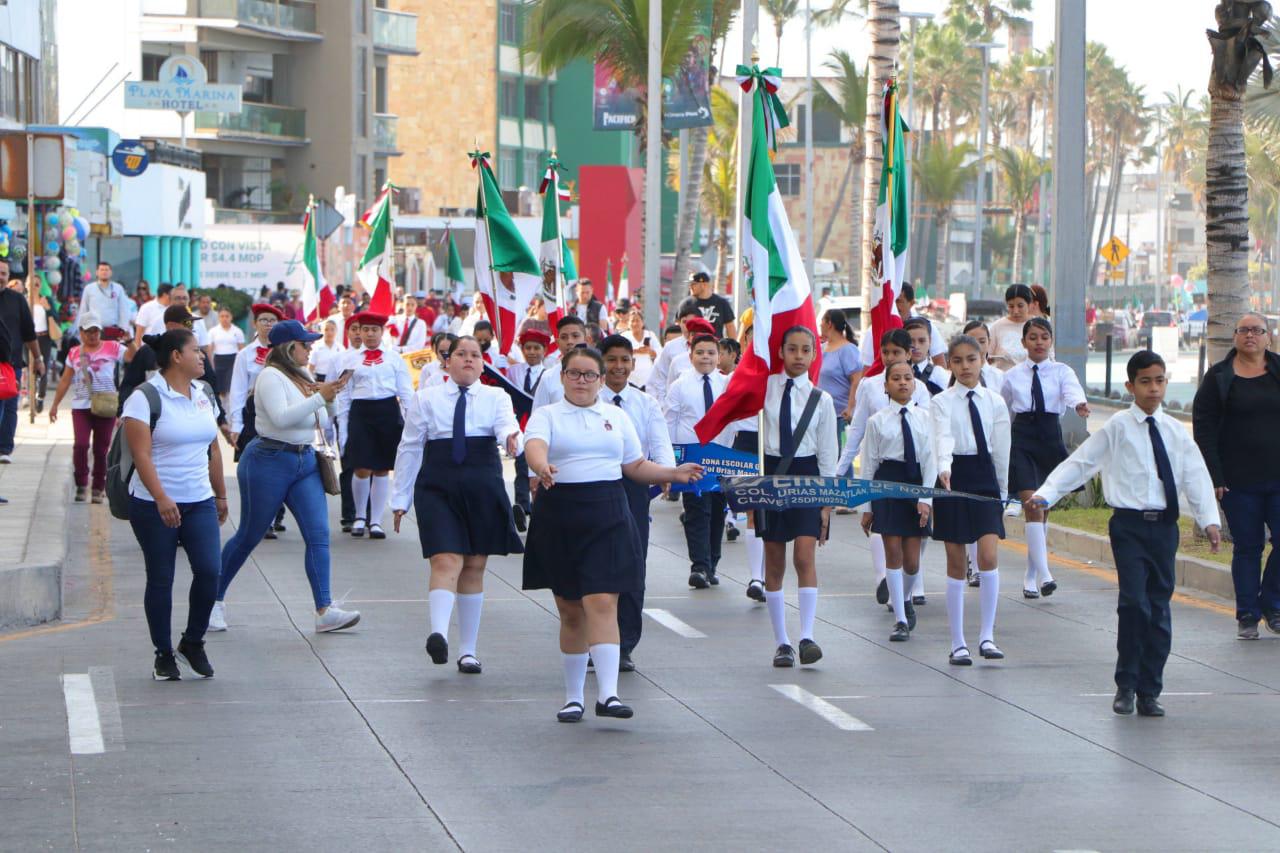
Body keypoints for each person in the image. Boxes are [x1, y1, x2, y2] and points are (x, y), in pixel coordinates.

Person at [1032, 351, 1221, 717]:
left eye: (1160, 381)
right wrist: (1047, 493)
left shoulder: (1174, 432)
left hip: (1164, 527)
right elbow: (1082, 462)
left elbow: (1195, 475)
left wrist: (1209, 519)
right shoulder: (1118, 426)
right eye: (1146, 382)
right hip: (1129, 526)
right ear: (1130, 386)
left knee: (1159, 609)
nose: (1154, 388)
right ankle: (1126, 684)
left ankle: (1151, 689)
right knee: (1134, 604)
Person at [522, 347, 703, 722]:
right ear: (563, 377)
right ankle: (574, 697)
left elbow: (634, 464)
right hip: (560, 511)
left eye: (590, 375)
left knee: (603, 601)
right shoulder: (547, 415)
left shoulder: (616, 416)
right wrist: (542, 467)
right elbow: (534, 447)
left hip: (607, 509)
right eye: (575, 374)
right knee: (571, 610)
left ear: (602, 381)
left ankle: (608, 694)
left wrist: (673, 474)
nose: (582, 381)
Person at [212, 320, 360, 635]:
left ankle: (325, 609)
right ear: (290, 348)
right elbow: (281, 418)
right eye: (306, 345)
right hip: (268, 459)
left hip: (303, 458)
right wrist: (321, 397)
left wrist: (327, 398)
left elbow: (320, 417)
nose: (311, 349)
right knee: (250, 535)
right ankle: (213, 600)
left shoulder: (301, 376)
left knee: (319, 535)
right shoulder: (270, 377)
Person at [390, 336, 523, 674]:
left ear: (482, 363)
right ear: (447, 362)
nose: (468, 359)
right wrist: (400, 499)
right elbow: (410, 447)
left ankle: (468, 650)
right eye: (460, 354)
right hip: (438, 482)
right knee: (445, 557)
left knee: (475, 564)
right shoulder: (426, 397)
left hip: (482, 481)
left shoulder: (497, 396)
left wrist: (512, 439)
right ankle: (437, 633)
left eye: (475, 355)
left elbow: (507, 427)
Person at [121, 329, 228, 681]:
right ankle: (163, 653)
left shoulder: (204, 393)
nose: (203, 356)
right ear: (176, 357)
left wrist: (220, 493)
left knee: (210, 571)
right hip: (154, 504)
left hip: (198, 500)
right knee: (162, 577)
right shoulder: (145, 398)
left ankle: (192, 641)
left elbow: (213, 448)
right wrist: (162, 498)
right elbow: (141, 454)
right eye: (196, 351)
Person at [1191, 313, 1280, 639]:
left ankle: (1272, 604)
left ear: (1268, 337)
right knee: (1248, 546)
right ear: (1235, 337)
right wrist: (1215, 475)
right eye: (1243, 331)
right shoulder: (1219, 378)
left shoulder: (1277, 371)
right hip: (1238, 481)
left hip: (1278, 477)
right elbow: (1204, 428)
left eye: (1257, 330)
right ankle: (1247, 613)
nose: (1250, 336)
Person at [757, 327, 838, 667]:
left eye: (806, 350)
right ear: (781, 352)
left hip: (807, 478)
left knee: (804, 557)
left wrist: (826, 502)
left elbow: (828, 452)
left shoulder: (822, 399)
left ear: (814, 355)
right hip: (772, 475)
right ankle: (782, 642)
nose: (799, 356)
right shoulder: (764, 389)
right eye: (792, 349)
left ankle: (806, 635)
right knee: (774, 561)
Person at [931, 335, 1012, 665]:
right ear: (949, 364)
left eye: (971, 359)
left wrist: (1004, 492)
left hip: (985, 476)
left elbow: (1002, 448)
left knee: (989, 555)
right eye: (958, 361)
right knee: (955, 561)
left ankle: (987, 636)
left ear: (983, 361)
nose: (965, 366)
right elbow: (942, 437)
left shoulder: (994, 401)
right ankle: (958, 641)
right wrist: (944, 468)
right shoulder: (942, 402)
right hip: (954, 477)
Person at [838, 329, 932, 605]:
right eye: (885, 352)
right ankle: (885, 581)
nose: (890, 358)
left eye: (897, 353)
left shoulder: (920, 389)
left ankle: (914, 583)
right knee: (887, 534)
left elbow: (929, 438)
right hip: (883, 470)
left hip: (914, 472)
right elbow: (856, 434)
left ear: (909, 354)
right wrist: (838, 473)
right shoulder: (870, 385)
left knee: (916, 539)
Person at [599, 334, 675, 670]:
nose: (618, 367)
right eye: (612, 359)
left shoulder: (646, 404)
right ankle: (597, 640)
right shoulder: (587, 400)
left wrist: (667, 474)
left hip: (634, 487)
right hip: (593, 487)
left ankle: (625, 643)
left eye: (624, 360)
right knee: (595, 567)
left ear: (633, 364)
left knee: (632, 564)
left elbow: (660, 444)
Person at [1002, 317, 1090, 599]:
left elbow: (1071, 392)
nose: (1039, 342)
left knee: (1043, 510)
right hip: (1022, 438)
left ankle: (1031, 576)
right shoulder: (1012, 376)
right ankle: (1046, 574)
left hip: (1050, 438)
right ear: (1023, 342)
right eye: (1033, 337)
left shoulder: (1061, 371)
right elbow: (1002, 411)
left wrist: (1079, 404)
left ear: (1051, 340)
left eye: (1044, 337)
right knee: (1032, 504)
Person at [861, 361, 936, 643]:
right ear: (886, 385)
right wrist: (867, 506)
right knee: (892, 551)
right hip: (887, 484)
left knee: (912, 561)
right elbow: (868, 465)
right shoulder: (877, 421)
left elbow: (930, 461)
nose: (903, 383)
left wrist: (925, 498)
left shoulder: (925, 418)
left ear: (914, 383)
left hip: (916, 483)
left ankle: (903, 598)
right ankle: (900, 619)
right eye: (896, 378)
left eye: (907, 378)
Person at [335, 312, 414, 538]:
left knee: (381, 468)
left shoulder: (394, 359)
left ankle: (376, 520)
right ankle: (359, 516)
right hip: (361, 413)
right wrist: (342, 427)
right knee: (360, 466)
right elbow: (344, 395)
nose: (370, 334)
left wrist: (411, 421)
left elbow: (406, 392)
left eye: (374, 330)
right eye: (365, 329)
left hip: (387, 412)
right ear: (358, 331)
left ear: (382, 332)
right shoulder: (349, 359)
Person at [665, 333, 732, 589]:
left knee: (716, 511)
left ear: (719, 356)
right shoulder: (680, 385)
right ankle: (699, 567)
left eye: (711, 353)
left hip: (721, 457)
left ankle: (712, 563)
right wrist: (670, 462)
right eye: (700, 352)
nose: (706, 357)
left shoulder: (726, 384)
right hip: (691, 457)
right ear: (691, 355)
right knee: (696, 511)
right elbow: (670, 421)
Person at [48, 313, 135, 502]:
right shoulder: (74, 352)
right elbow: (65, 380)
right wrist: (55, 404)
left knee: (101, 449)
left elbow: (131, 357)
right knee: (80, 445)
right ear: (81, 332)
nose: (93, 335)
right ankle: (81, 482)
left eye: (96, 331)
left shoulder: (112, 347)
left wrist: (130, 341)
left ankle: (97, 487)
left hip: (106, 405)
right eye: (88, 331)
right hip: (81, 406)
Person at [0, 258, 42, 464]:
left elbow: (29, 333)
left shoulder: (17, 301)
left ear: (8, 277)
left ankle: (4, 448)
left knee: (9, 407)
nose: (0, 277)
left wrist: (38, 358)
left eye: (3, 273)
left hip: (11, 366)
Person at [507, 328, 550, 530]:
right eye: (528, 348)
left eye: (536, 348)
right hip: (519, 427)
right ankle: (522, 507)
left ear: (544, 350)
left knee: (538, 468)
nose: (532, 352)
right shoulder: (513, 372)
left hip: (540, 427)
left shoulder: (549, 374)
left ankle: (536, 508)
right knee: (522, 467)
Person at [858, 283, 945, 368]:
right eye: (891, 300)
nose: (893, 306)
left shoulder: (927, 327)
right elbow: (867, 368)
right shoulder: (874, 330)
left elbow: (939, 362)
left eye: (898, 301)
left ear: (911, 303)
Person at [647, 310, 717, 406]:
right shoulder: (678, 362)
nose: (698, 339)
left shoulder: (719, 369)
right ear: (689, 337)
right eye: (694, 334)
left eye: (702, 335)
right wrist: (662, 405)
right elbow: (664, 385)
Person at [819, 309, 863, 432]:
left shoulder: (848, 350)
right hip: (820, 413)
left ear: (829, 324)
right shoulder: (822, 348)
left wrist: (850, 408)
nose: (820, 324)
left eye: (822, 321)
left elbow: (856, 380)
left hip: (840, 416)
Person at [531, 316, 588, 410]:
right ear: (557, 342)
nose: (569, 341)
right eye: (564, 337)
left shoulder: (600, 373)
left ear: (586, 339)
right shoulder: (548, 377)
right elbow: (538, 415)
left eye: (575, 336)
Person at [77, 261, 131, 338]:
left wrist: (123, 328)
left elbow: (123, 310)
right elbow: (83, 309)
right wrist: (82, 329)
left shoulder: (118, 288)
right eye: (102, 270)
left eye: (106, 270)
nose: (104, 272)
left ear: (111, 272)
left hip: (113, 329)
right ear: (97, 272)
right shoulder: (89, 288)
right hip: (94, 330)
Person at [675, 271, 737, 338]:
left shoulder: (722, 303)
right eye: (690, 284)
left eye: (694, 284)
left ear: (704, 285)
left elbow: (730, 327)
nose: (690, 287)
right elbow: (677, 327)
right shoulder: (685, 304)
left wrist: (733, 346)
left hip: (716, 346)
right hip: (692, 346)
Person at [988, 284, 1034, 370]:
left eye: (1020, 306)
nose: (1015, 311)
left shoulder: (1037, 325)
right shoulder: (997, 327)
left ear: (1029, 305)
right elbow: (986, 356)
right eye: (1011, 306)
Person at [905, 318, 950, 396]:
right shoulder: (895, 372)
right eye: (911, 341)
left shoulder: (939, 374)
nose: (916, 346)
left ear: (930, 341)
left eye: (921, 341)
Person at [208, 307, 245, 403]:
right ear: (219, 317)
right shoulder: (213, 331)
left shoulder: (237, 331)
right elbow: (210, 349)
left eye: (227, 316)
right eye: (222, 316)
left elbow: (241, 349)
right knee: (221, 389)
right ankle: (222, 412)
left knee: (231, 387)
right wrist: (211, 364)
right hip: (218, 360)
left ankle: (230, 413)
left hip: (233, 360)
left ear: (231, 317)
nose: (224, 318)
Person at [961, 320, 1005, 395]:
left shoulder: (1000, 377)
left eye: (982, 341)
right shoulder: (959, 375)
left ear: (989, 342)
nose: (977, 346)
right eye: (972, 341)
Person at [621, 307, 660, 389]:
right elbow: (619, 353)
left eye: (637, 320)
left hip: (647, 375)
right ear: (628, 323)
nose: (635, 323)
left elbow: (660, 352)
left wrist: (649, 351)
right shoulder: (624, 336)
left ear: (642, 323)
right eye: (632, 321)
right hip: (630, 377)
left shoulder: (650, 334)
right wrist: (635, 351)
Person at [308, 317, 344, 381]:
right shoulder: (316, 347)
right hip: (319, 379)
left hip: (336, 379)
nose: (329, 332)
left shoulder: (340, 348)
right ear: (322, 331)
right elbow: (310, 368)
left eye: (332, 329)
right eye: (326, 329)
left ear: (336, 331)